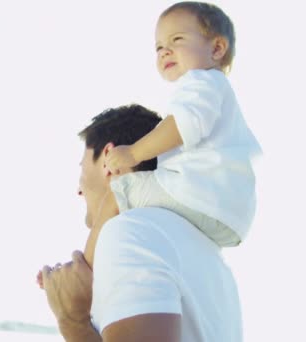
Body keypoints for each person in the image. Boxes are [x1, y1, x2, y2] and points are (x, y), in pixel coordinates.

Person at [39, 104, 243, 341]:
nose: (78, 189)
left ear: (107, 159)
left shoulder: (129, 231)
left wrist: (72, 319)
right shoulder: (205, 250)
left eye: (82, 167)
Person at [105, 1, 261, 247]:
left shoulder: (201, 81)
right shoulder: (216, 91)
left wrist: (133, 153)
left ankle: (83, 272)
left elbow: (183, 125)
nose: (165, 51)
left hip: (199, 195)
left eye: (177, 39)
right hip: (228, 214)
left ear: (217, 48)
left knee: (116, 192)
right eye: (158, 47)